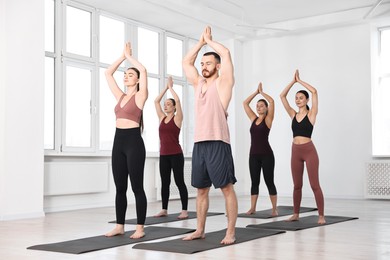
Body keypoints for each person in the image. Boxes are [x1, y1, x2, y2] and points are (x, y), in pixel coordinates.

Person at [182, 26, 238, 245]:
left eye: (208, 63)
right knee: (201, 190)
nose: (203, 67)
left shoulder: (224, 83)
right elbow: (186, 63)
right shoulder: (198, 84)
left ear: (218, 66)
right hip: (199, 143)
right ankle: (199, 230)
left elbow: (226, 53)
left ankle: (230, 232)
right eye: (202, 64)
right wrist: (199, 43)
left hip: (218, 141)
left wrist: (210, 41)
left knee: (226, 188)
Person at [104, 42, 148, 238]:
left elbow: (144, 70)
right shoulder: (120, 96)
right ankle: (119, 225)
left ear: (137, 80)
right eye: (125, 74)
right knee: (120, 187)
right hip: (118, 142)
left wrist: (130, 58)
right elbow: (107, 73)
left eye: (130, 74)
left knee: (136, 187)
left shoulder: (140, 96)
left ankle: (140, 228)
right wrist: (122, 57)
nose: (126, 76)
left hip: (133, 143)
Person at [280, 69, 325, 224]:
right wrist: (292, 82)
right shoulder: (293, 114)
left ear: (306, 100)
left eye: (301, 98)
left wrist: (299, 81)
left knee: (314, 185)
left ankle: (321, 216)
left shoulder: (312, 113)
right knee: (297, 185)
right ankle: (296, 214)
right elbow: (282, 96)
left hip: (309, 151)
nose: (298, 100)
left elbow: (314, 91)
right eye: (296, 98)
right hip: (295, 151)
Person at [153, 76, 189, 220]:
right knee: (165, 182)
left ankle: (184, 210)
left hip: (176, 154)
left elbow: (178, 101)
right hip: (164, 155)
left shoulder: (177, 118)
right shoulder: (162, 118)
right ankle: (164, 209)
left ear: (174, 107)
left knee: (179, 181)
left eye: (169, 104)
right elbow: (156, 101)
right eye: (165, 104)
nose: (165, 105)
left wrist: (172, 88)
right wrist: (166, 88)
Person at [243, 82, 278, 216]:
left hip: (267, 155)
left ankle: (274, 209)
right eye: (257, 106)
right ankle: (252, 208)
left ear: (266, 108)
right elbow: (245, 103)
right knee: (254, 182)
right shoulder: (253, 119)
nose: (258, 108)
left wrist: (262, 93)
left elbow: (272, 101)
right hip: (253, 156)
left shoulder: (268, 120)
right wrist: (256, 93)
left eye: (261, 105)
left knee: (269, 181)